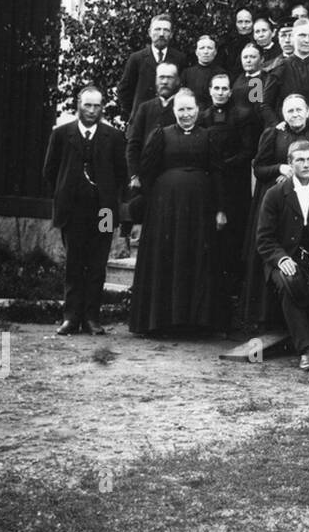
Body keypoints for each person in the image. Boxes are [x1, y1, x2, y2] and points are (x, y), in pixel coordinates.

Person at [130, 89, 227, 335]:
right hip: (166, 212)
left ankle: (197, 323)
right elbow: (147, 172)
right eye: (181, 110)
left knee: (197, 260)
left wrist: (220, 210)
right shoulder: (161, 135)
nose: (186, 114)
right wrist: (155, 203)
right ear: (174, 112)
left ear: (198, 110)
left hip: (200, 211)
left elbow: (217, 174)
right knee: (166, 259)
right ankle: (160, 322)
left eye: (190, 109)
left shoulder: (208, 136)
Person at [43, 85, 128, 335]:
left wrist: (111, 200)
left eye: (97, 106)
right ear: (78, 104)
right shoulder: (61, 134)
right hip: (73, 210)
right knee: (74, 263)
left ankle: (92, 318)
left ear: (103, 108)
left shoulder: (113, 137)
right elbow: (50, 172)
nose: (92, 111)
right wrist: (64, 195)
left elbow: (121, 174)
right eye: (87, 105)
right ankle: (71, 317)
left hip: (104, 212)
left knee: (97, 264)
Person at [241, 94, 309, 328]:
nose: (295, 115)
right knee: (275, 257)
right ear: (283, 113)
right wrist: (279, 168)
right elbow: (259, 168)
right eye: (290, 111)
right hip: (276, 199)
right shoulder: (273, 133)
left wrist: (299, 173)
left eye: (299, 110)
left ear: (308, 112)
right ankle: (268, 319)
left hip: (307, 201)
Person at [256, 140, 309, 371]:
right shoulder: (275, 194)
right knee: (289, 283)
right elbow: (264, 238)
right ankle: (306, 351)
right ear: (290, 164)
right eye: (300, 160)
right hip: (282, 259)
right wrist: (281, 259)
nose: (306, 164)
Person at [201, 72, 258, 318]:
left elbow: (248, 150)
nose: (221, 92)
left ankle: (234, 298)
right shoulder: (203, 117)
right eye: (217, 88)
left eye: (225, 88)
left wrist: (226, 164)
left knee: (234, 238)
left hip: (235, 184)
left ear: (230, 91)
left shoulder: (243, 114)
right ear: (210, 90)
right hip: (211, 184)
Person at [124, 61, 180, 227]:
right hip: (146, 178)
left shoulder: (183, 107)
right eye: (161, 77)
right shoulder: (145, 108)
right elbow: (133, 144)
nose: (164, 81)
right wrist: (134, 175)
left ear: (177, 81)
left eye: (169, 77)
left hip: (172, 176)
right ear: (156, 80)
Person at [117, 14, 187, 119]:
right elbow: (124, 90)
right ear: (150, 32)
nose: (161, 34)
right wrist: (136, 112)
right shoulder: (136, 58)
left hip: (170, 120)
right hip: (141, 120)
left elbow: (183, 90)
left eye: (166, 30)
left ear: (171, 34)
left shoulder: (179, 59)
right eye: (157, 29)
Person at [231, 43, 276, 130]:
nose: (248, 60)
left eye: (252, 57)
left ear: (261, 59)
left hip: (258, 127)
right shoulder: (237, 79)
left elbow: (259, 109)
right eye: (245, 57)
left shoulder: (266, 79)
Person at [180, 35, 223, 108]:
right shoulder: (187, 73)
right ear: (196, 52)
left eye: (209, 48)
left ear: (215, 52)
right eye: (202, 48)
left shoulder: (221, 73)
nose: (206, 52)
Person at [219, 8, 255, 81]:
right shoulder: (227, 43)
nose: (243, 26)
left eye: (247, 22)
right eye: (240, 22)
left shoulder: (257, 42)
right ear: (235, 23)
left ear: (253, 23)